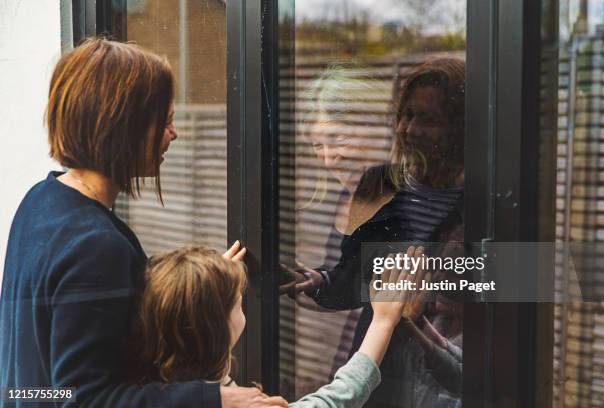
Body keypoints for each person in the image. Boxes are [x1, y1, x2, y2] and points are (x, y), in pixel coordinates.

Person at [0, 38, 277, 408]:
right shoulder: (94, 247)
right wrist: (215, 399)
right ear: (123, 127)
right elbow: (85, 400)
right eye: (165, 123)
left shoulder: (41, 200)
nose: (172, 135)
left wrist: (206, 285)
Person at [285, 58, 467, 407]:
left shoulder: (480, 207)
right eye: (407, 115)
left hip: (436, 386)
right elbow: (360, 282)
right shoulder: (377, 184)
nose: (410, 129)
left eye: (427, 120)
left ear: (459, 129)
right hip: (376, 369)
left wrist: (425, 303)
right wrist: (319, 281)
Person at [130, 245, 416, 408]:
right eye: (237, 302)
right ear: (218, 328)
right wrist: (383, 320)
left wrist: (205, 285)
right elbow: (338, 398)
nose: (242, 300)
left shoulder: (156, 387)